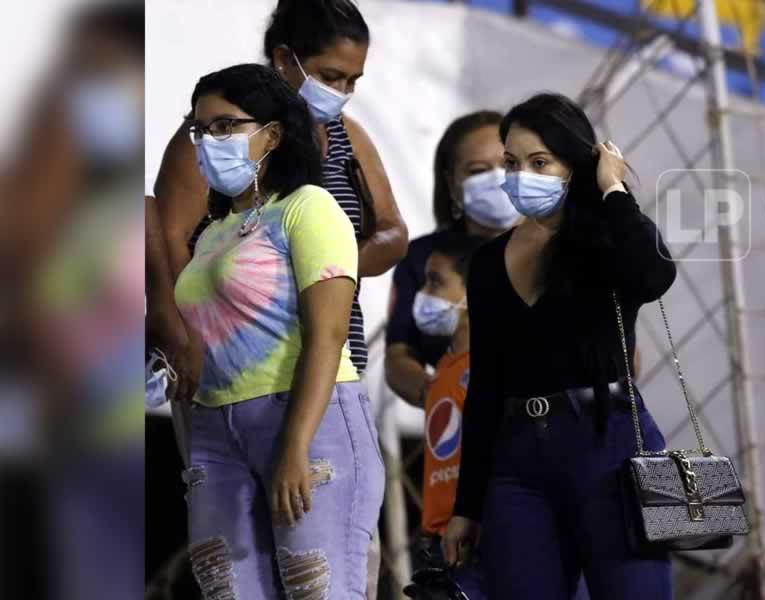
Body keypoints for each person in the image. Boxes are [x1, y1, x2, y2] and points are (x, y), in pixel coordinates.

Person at [441, 93, 676, 600]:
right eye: (511, 162)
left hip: (607, 443)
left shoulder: (605, 243)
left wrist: (613, 187)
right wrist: (467, 506)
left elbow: (655, 274)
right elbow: (484, 387)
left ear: (575, 165)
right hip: (516, 461)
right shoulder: (486, 262)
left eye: (539, 161)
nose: (520, 174)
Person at [174, 63, 384, 599]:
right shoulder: (211, 234)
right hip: (217, 432)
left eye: (225, 126)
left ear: (272, 132)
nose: (207, 141)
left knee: (319, 590)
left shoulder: (310, 208)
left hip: (310, 423)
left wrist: (295, 445)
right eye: (201, 130)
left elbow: (329, 333)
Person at [155, 0, 408, 382]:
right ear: (283, 59)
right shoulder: (217, 135)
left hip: (333, 365)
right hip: (230, 368)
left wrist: (322, 265)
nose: (341, 92)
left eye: (352, 81)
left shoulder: (347, 136)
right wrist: (187, 340)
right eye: (330, 76)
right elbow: (167, 238)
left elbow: (393, 233)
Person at [385, 110, 515, 406]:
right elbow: (398, 357)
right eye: (478, 170)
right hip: (460, 432)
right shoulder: (423, 258)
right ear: (451, 180)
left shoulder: (562, 249)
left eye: (508, 165)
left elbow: (625, 357)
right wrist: (440, 396)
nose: (497, 179)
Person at [408, 232, 488, 598]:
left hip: (478, 536)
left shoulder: (490, 367)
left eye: (436, 282)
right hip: (439, 540)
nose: (424, 293)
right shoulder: (441, 370)